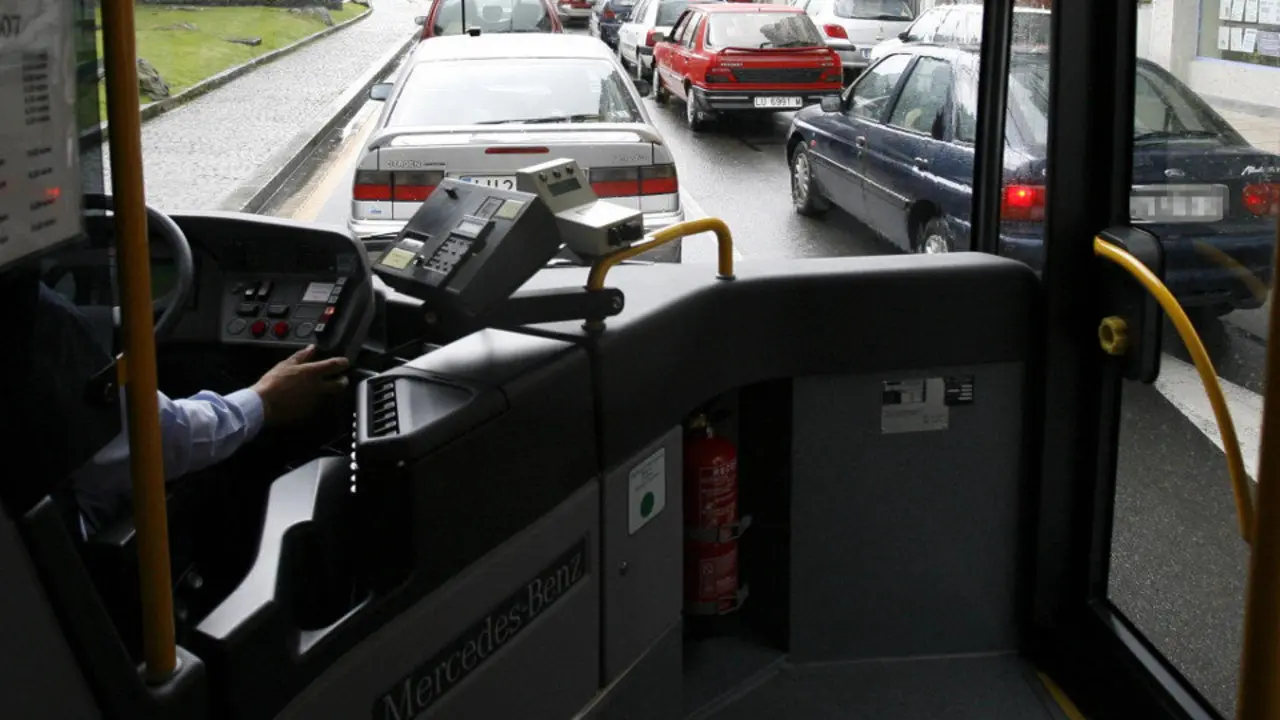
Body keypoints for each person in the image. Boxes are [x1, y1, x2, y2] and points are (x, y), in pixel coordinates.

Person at [23, 281, 354, 537]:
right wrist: (263, 401)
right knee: (229, 476)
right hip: (80, 546)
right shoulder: (27, 316)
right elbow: (159, 439)